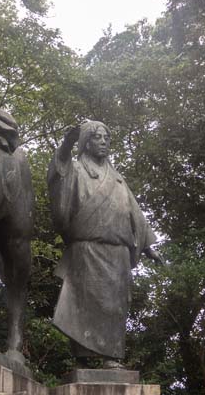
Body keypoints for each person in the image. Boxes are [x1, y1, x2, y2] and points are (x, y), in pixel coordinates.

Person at [47, 120, 162, 368]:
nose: (103, 142)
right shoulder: (76, 170)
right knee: (82, 303)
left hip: (117, 253)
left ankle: (111, 356)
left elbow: (134, 212)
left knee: (116, 307)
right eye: (97, 137)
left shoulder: (117, 179)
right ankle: (82, 358)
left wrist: (147, 246)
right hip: (86, 249)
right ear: (86, 142)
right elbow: (59, 171)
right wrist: (66, 145)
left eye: (106, 138)